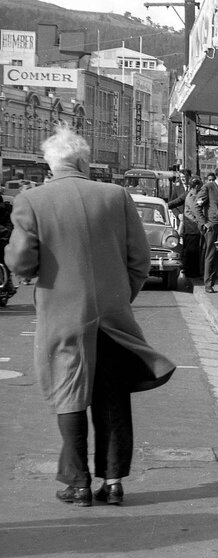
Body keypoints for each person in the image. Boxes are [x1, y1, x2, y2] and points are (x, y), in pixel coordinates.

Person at [4, 125, 175, 506]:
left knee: (69, 394)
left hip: (62, 316)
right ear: (83, 161)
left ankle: (77, 483)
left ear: (51, 164)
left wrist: (34, 271)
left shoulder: (32, 200)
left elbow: (20, 260)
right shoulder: (115, 195)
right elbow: (140, 259)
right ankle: (113, 481)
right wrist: (119, 295)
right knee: (112, 398)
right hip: (112, 316)